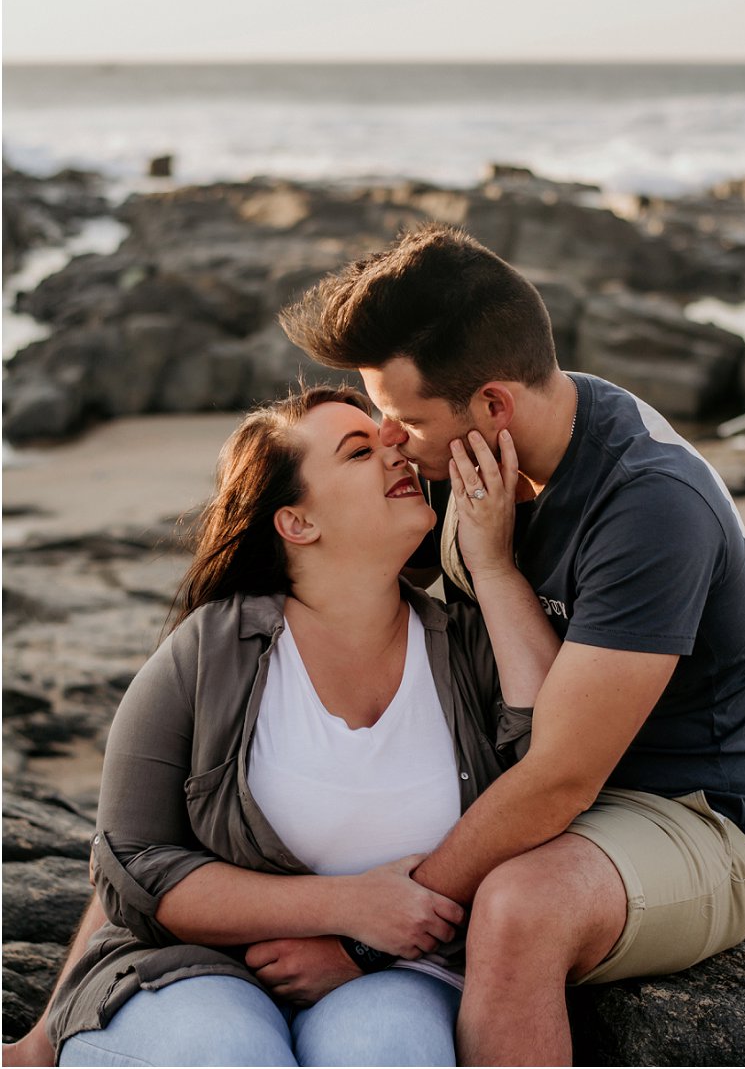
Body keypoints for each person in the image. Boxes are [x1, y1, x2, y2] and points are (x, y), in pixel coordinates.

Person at [277, 222, 745, 1066]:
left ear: (494, 403)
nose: (390, 438)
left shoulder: (648, 504)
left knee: (518, 906)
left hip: (681, 814)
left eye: (401, 417)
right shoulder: (463, 455)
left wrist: (367, 937)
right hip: (514, 783)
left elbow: (560, 780)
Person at [21, 383, 551, 1068]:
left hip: (396, 974)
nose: (396, 447)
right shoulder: (209, 651)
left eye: (388, 437)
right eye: (359, 449)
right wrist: (348, 906)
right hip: (191, 971)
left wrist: (492, 563)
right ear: (297, 522)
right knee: (231, 1054)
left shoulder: (470, 644)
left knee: (389, 1052)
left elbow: (554, 767)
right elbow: (133, 864)